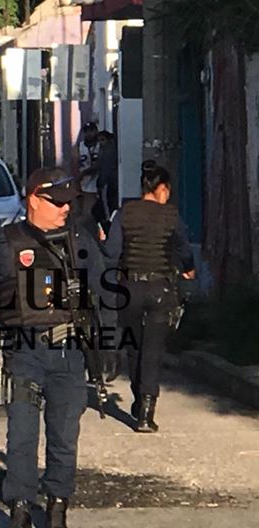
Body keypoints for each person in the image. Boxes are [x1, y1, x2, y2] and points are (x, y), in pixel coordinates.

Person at [0, 167, 112, 528]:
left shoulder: (80, 239)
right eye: (57, 202)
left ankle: (57, 507)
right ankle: (21, 508)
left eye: (69, 202)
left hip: (70, 353)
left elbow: (105, 293)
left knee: (64, 436)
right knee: (22, 436)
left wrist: (110, 343)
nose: (65, 209)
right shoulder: (3, 241)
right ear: (33, 200)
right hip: (23, 353)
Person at [101, 160, 195, 433]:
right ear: (161, 188)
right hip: (160, 290)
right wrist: (188, 269)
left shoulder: (124, 213)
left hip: (129, 289)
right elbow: (184, 248)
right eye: (168, 190)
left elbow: (111, 252)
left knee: (134, 347)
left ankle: (138, 396)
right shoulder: (170, 215)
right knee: (153, 350)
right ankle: (146, 411)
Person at [72, 121, 101, 223]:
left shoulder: (100, 146)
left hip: (96, 182)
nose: (89, 134)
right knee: (79, 211)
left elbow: (100, 164)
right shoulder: (79, 147)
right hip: (82, 182)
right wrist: (77, 181)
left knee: (90, 212)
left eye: (91, 131)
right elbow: (74, 165)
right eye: (86, 131)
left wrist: (86, 172)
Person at [95, 131, 119, 233]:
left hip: (108, 182)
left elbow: (105, 168)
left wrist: (102, 180)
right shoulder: (104, 150)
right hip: (108, 181)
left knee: (107, 205)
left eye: (102, 140)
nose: (100, 143)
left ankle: (108, 223)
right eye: (99, 140)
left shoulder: (108, 151)